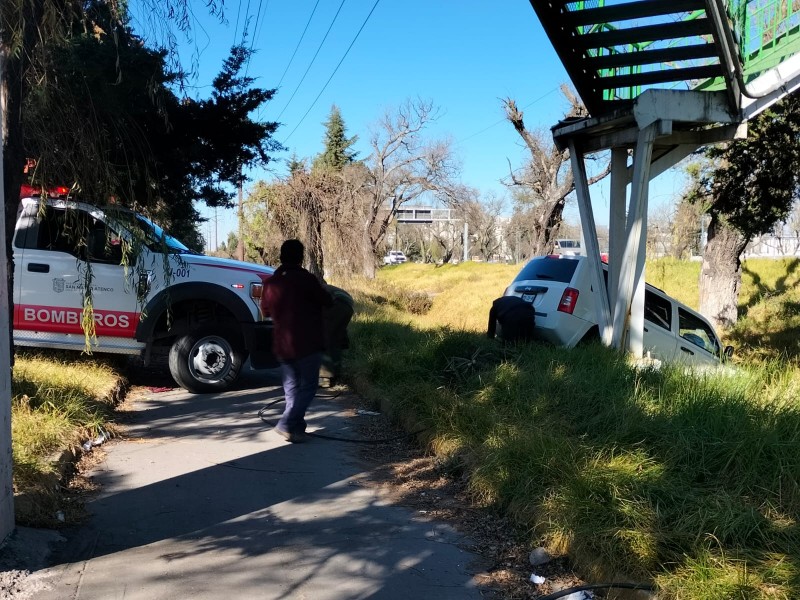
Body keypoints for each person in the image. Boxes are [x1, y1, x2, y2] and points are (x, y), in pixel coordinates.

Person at [261, 240, 333, 443]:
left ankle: (296, 429)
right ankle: (286, 423)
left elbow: (265, 311)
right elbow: (327, 301)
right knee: (309, 386)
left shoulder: (270, 283)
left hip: (282, 345)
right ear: (301, 257)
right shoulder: (306, 279)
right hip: (308, 342)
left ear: (281, 257)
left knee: (291, 388)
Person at [320, 284, 355, 387]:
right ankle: (337, 374)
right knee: (335, 338)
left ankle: (325, 378)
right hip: (348, 303)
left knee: (324, 339)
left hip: (336, 302)